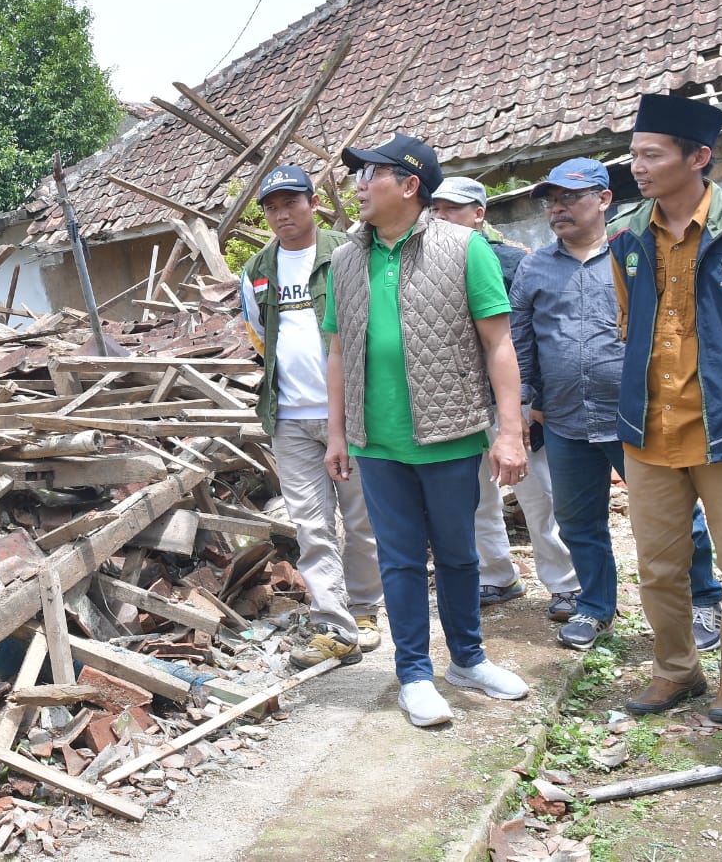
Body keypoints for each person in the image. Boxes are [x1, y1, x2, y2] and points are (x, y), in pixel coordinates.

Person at [324, 133, 530, 729]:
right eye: (358, 175)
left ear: (410, 185)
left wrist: (509, 432)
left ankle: (467, 659)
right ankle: (414, 672)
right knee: (400, 560)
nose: (359, 185)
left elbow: (498, 343)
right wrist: (338, 434)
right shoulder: (344, 260)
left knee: (461, 554)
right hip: (377, 440)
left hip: (451, 431)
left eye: (371, 174)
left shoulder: (464, 248)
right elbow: (337, 353)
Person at [609, 93, 722, 726]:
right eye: (634, 154)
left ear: (699, 158)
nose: (637, 166)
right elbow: (628, 320)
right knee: (658, 566)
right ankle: (675, 669)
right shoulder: (626, 236)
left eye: (651, 154)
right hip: (650, 427)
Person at [511, 158, 721, 650]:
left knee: (674, 515)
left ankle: (705, 599)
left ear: (604, 200)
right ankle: (596, 607)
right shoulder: (535, 267)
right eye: (551, 200)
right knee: (579, 520)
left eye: (569, 197)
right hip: (565, 420)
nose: (557, 208)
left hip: (640, 417)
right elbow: (521, 343)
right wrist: (525, 405)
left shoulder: (636, 253)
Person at [239, 165, 383, 668]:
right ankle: (334, 625)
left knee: (362, 519)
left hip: (354, 414)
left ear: (313, 203)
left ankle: (364, 610)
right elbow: (260, 338)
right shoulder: (258, 269)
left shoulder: (348, 252)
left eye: (291, 203)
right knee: (311, 526)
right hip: (291, 419)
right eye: (272, 207)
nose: (282, 214)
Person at [431, 177, 580, 622]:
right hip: (459, 400)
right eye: (435, 209)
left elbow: (534, 335)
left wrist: (534, 399)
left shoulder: (514, 262)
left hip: (511, 400)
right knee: (475, 495)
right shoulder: (427, 267)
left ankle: (568, 585)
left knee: (538, 493)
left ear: (479, 214)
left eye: (452, 209)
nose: (440, 217)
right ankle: (497, 575)